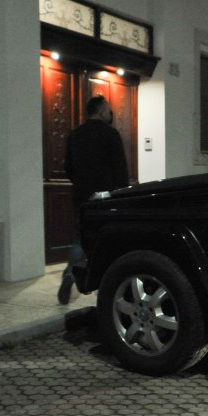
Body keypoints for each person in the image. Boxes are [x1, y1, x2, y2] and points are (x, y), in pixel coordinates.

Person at [58, 94, 129, 304]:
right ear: (101, 111)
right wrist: (121, 194)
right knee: (108, 239)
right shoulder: (111, 135)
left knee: (80, 238)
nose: (110, 112)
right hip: (106, 198)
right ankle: (106, 284)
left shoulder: (75, 135)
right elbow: (120, 170)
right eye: (108, 109)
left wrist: (82, 184)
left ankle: (70, 273)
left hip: (81, 196)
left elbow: (68, 168)